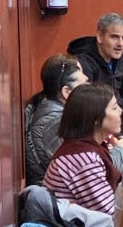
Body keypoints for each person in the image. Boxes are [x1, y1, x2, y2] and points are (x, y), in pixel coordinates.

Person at [44, 83, 123, 216]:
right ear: (95, 118)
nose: (121, 112)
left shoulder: (84, 148)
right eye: (115, 108)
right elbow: (109, 213)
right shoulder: (84, 158)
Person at [25, 52, 87, 186]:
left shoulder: (55, 114)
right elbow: (83, 173)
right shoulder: (55, 123)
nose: (90, 88)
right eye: (84, 84)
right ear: (67, 92)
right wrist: (120, 150)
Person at [70, 12, 123, 103]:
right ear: (100, 37)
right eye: (114, 37)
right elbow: (87, 104)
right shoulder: (83, 63)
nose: (120, 44)